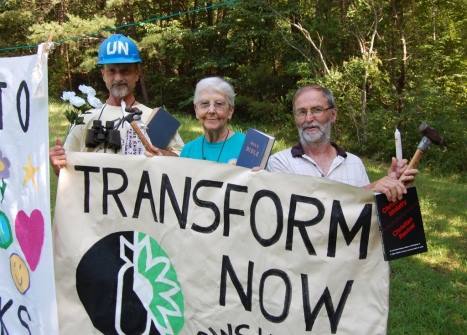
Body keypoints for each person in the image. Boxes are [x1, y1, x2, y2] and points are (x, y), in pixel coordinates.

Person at [49, 34, 183, 175]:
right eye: (112, 71)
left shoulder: (158, 119)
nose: (118, 78)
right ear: (103, 74)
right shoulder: (84, 120)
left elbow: (185, 166)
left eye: (125, 71)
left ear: (137, 74)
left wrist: (162, 155)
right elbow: (67, 173)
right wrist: (57, 164)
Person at [267, 85, 416, 202]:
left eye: (316, 110)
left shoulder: (354, 163)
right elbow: (305, 211)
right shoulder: (280, 163)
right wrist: (371, 188)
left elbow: (365, 215)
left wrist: (389, 190)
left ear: (333, 115)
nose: (308, 118)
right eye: (301, 112)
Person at [178, 77, 245, 163]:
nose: (211, 110)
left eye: (219, 104)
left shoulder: (247, 148)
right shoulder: (188, 151)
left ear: (230, 111)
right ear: (196, 110)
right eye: (205, 104)